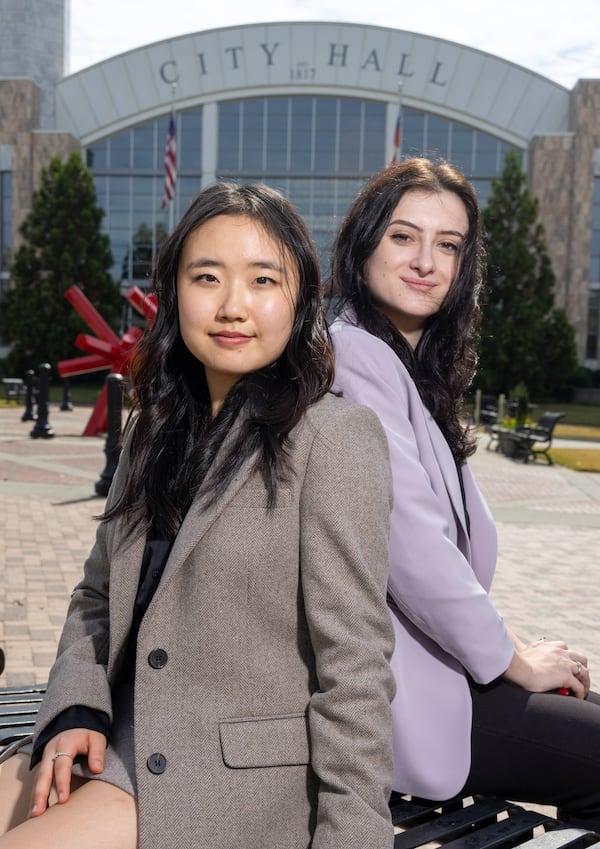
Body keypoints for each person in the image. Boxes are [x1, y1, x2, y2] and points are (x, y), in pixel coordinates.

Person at [0, 182, 396, 849]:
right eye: (206, 276)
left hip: (223, 778)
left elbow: (354, 668)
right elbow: (96, 595)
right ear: (173, 291)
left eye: (263, 279)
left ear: (300, 300)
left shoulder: (335, 437)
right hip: (114, 732)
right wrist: (74, 702)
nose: (232, 305)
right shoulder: (153, 428)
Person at [329, 157, 600, 828]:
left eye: (448, 244)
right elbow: (412, 546)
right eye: (403, 236)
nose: (427, 260)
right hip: (397, 701)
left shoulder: (410, 368)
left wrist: (513, 650)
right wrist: (511, 657)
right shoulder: (354, 356)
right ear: (363, 244)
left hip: (443, 673)